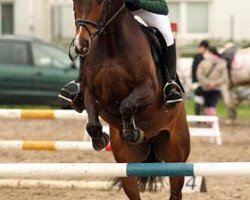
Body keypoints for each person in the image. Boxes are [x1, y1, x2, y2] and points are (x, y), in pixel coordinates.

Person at [59, 0, 182, 112]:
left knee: (168, 37)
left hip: (147, 11)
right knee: (90, 32)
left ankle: (170, 85)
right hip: (120, 11)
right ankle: (80, 83)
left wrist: (139, 2)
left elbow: (163, 7)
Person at [197, 47, 229, 118]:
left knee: (206, 104)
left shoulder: (203, 62)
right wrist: (215, 83)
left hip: (205, 87)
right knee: (212, 105)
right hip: (217, 88)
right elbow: (224, 77)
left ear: (209, 52)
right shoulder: (222, 63)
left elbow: (199, 75)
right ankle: (211, 122)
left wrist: (207, 83)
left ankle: (208, 121)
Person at [191, 40, 209, 115]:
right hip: (198, 82)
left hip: (206, 82)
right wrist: (195, 82)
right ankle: (198, 118)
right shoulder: (197, 57)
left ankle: (205, 118)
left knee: (206, 101)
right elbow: (193, 70)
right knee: (198, 100)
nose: (199, 49)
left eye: (201, 47)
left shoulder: (207, 57)